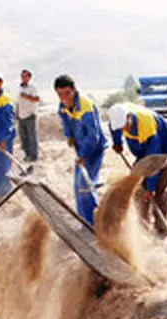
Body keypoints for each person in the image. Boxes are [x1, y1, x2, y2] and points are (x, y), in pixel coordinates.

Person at [107, 102, 167, 237]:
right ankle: (143, 227)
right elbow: (114, 129)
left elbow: (152, 161)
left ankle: (161, 230)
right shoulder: (118, 116)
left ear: (129, 118)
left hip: (162, 149)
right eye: (121, 128)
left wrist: (151, 188)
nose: (123, 129)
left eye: (125, 126)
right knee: (139, 191)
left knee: (159, 191)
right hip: (142, 149)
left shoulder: (147, 126)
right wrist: (117, 143)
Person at [55, 74, 109, 226]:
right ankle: (84, 222)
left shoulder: (85, 105)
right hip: (81, 149)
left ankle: (94, 225)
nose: (64, 98)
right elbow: (67, 125)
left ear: (74, 90)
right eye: (60, 94)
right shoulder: (62, 107)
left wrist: (84, 154)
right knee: (78, 187)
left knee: (85, 186)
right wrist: (70, 137)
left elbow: (94, 136)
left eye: (67, 93)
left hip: (94, 149)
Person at [17, 69, 41, 164]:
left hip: (30, 115)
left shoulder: (33, 87)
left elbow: (37, 99)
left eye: (25, 76)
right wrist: (17, 112)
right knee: (24, 137)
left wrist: (26, 97)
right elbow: (18, 101)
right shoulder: (20, 87)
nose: (23, 78)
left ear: (29, 77)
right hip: (21, 115)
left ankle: (34, 156)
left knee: (32, 137)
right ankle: (27, 155)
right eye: (22, 76)